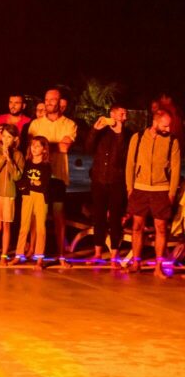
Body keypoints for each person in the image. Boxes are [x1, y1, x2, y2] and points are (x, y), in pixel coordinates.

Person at [125, 110, 180, 275]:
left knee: (161, 228)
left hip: (161, 190)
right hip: (140, 188)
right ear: (155, 123)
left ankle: (158, 267)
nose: (168, 129)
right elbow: (130, 163)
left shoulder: (172, 141)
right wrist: (129, 187)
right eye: (165, 125)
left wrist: (171, 193)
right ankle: (136, 263)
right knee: (137, 226)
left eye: (169, 125)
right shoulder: (138, 137)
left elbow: (176, 169)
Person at [27, 88, 78, 267]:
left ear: (59, 102)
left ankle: (61, 254)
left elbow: (65, 148)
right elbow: (31, 149)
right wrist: (54, 145)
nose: (48, 102)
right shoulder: (35, 124)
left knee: (58, 215)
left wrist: (44, 146)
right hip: (38, 176)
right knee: (36, 216)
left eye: (52, 100)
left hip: (57, 176)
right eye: (46, 99)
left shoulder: (69, 124)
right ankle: (34, 251)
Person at [86, 104, 129, 264]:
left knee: (115, 218)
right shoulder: (102, 132)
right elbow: (88, 147)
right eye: (121, 113)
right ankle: (97, 252)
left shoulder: (127, 134)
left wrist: (119, 135)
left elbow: (121, 158)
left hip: (116, 181)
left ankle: (114, 255)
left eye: (125, 114)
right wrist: (95, 129)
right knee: (98, 216)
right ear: (112, 114)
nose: (124, 117)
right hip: (99, 180)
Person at [0, 124, 24, 263]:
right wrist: (2, 157)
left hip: (9, 194)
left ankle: (3, 256)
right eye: (4, 136)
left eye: (9, 137)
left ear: (15, 139)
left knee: (6, 226)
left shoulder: (18, 155)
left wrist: (10, 160)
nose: (6, 139)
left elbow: (17, 176)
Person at [14, 136, 52, 268]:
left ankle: (39, 257)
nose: (34, 148)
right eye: (32, 145)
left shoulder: (46, 166)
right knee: (24, 226)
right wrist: (32, 183)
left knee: (41, 227)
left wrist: (32, 183)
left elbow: (44, 184)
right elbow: (22, 182)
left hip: (41, 197)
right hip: (27, 196)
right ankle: (19, 254)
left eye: (38, 146)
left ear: (44, 149)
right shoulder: (27, 163)